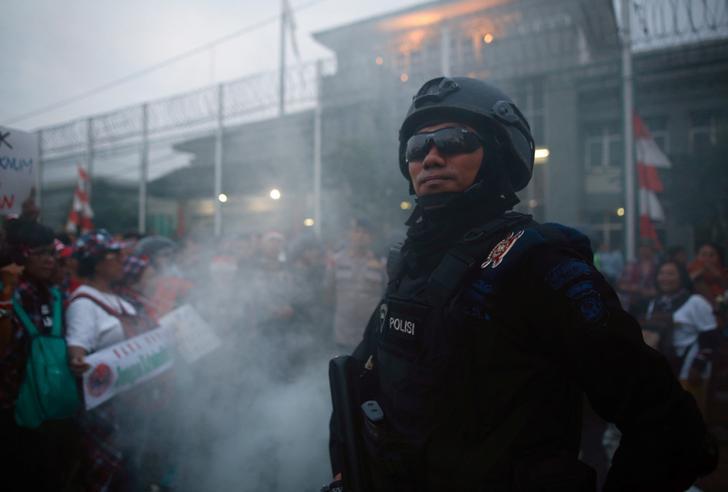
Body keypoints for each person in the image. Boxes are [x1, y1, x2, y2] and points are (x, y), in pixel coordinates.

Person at [324, 76, 717, 491]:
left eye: (455, 141)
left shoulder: (539, 263)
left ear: (498, 152)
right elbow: (361, 379)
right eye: (417, 147)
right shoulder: (411, 264)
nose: (431, 158)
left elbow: (671, 429)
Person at [0, 220, 81, 491]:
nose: (51, 261)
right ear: (21, 255)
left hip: (55, 415)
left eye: (53, 253)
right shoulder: (9, 293)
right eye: (42, 253)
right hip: (13, 416)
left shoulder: (56, 295)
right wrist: (6, 296)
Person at [641, 260, 719, 411]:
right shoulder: (655, 304)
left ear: (682, 277)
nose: (665, 278)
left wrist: (697, 367)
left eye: (671, 274)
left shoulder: (696, 302)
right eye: (661, 273)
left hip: (690, 369)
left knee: (690, 416)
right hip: (666, 368)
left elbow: (711, 338)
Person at [325, 218, 385, 351]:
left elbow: (385, 294)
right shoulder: (335, 261)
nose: (360, 236)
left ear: (371, 238)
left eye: (365, 232)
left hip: (370, 332)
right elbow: (328, 292)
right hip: (343, 332)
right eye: (356, 231)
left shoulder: (380, 263)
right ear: (349, 234)